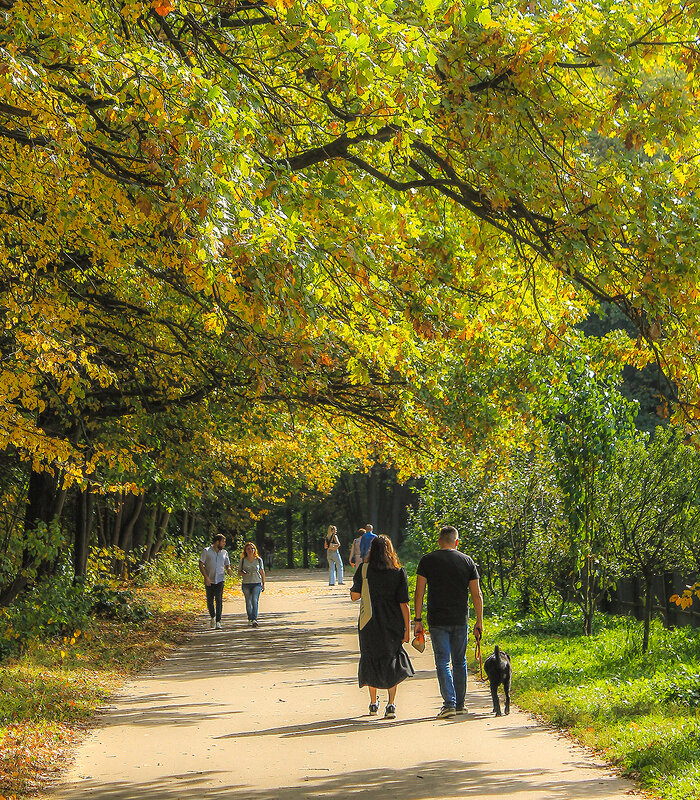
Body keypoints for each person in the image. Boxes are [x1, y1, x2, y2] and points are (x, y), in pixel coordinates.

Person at [413, 525, 483, 719]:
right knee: (459, 662)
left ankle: (449, 704)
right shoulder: (467, 561)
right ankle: (460, 704)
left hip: (437, 619)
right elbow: (476, 594)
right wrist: (479, 621)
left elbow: (419, 592)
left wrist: (417, 620)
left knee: (442, 661)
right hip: (461, 619)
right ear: (456, 542)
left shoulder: (427, 560)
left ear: (439, 541)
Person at [350, 535, 414, 719]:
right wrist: (406, 629)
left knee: (371, 658)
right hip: (393, 623)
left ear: (372, 550)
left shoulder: (364, 569)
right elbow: (404, 604)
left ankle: (372, 703)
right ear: (390, 551)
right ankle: (391, 704)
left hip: (368, 622)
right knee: (391, 659)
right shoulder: (398, 572)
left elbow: (354, 596)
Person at [199, 533, 233, 630]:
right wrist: (206, 577)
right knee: (210, 601)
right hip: (209, 579)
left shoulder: (224, 552)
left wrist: (229, 569)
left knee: (219, 600)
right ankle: (212, 617)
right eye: (223, 542)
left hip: (220, 579)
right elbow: (201, 564)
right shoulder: (206, 551)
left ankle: (218, 621)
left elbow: (227, 564)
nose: (224, 544)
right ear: (217, 542)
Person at [238, 542, 266, 627]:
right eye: (248, 549)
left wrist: (263, 583)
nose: (250, 550)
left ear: (255, 550)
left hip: (256, 583)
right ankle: (250, 618)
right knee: (248, 601)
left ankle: (254, 619)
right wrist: (243, 573)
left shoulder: (258, 560)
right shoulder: (243, 560)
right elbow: (239, 572)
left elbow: (262, 572)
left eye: (252, 548)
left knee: (254, 600)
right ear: (245, 550)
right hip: (246, 583)